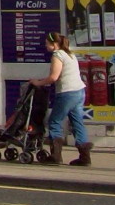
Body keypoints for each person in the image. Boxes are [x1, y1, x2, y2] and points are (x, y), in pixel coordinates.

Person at [31, 31, 90, 166]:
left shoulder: (57, 55)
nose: (45, 46)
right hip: (79, 91)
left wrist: (37, 82)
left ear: (54, 44)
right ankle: (85, 157)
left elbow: (53, 77)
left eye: (47, 44)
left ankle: (56, 156)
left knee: (54, 122)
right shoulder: (70, 54)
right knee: (77, 122)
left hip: (67, 93)